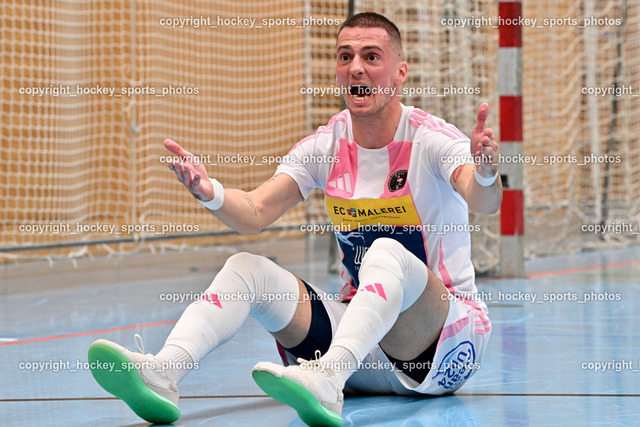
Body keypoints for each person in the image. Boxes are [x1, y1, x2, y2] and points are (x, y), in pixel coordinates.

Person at [88, 12, 501, 427]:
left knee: (386, 252)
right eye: (345, 56)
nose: (356, 67)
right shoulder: (325, 145)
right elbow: (255, 212)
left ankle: (327, 380)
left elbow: (482, 200)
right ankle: (164, 371)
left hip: (439, 347)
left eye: (372, 56)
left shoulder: (430, 139)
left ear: (400, 73)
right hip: (362, 351)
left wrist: (485, 173)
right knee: (246, 268)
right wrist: (210, 192)